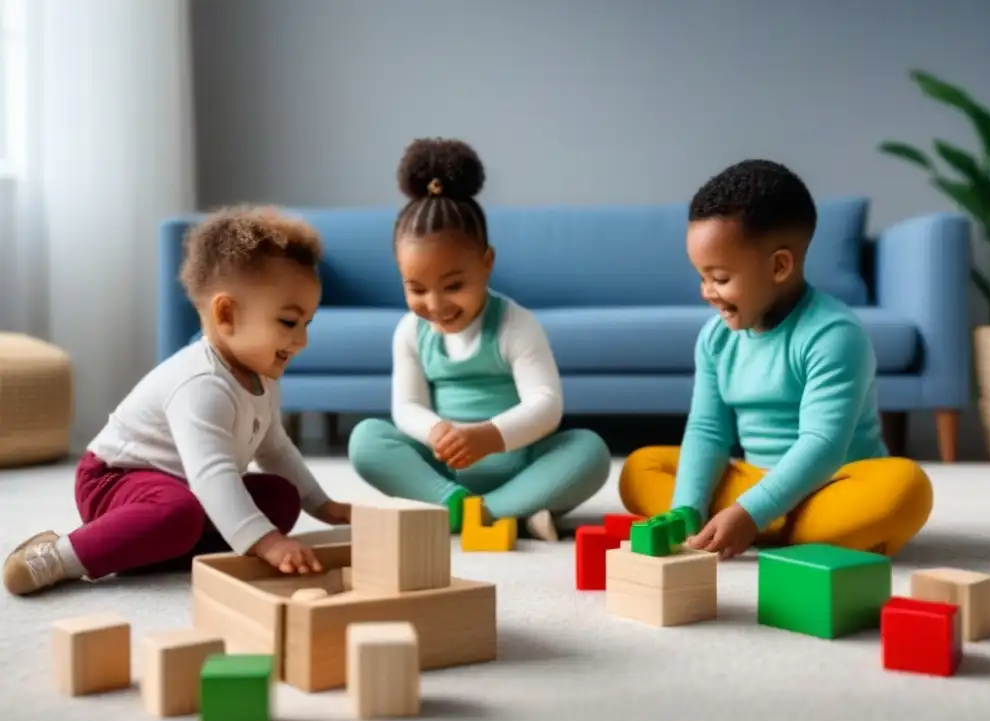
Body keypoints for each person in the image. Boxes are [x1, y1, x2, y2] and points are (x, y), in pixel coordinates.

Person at [3, 206, 351, 596]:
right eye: (288, 322)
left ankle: (140, 549)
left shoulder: (261, 377)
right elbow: (212, 473)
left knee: (281, 500)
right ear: (227, 314)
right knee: (182, 512)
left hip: (181, 490)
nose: (301, 341)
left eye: (307, 324)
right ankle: (59, 556)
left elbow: (275, 450)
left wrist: (323, 505)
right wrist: (266, 542)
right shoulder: (202, 384)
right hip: (114, 482)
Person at [619, 159, 932, 559]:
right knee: (640, 468)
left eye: (720, 278)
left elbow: (822, 445)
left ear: (779, 266)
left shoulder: (833, 335)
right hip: (752, 483)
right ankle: (768, 530)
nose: (707, 293)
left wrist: (751, 512)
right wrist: (688, 509)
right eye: (701, 277)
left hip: (831, 483)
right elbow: (707, 431)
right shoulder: (715, 338)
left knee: (905, 489)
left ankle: (755, 526)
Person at [348, 137, 611, 541]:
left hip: (518, 460)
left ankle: (488, 510)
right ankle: (472, 506)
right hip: (444, 467)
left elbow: (546, 405)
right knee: (366, 440)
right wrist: (438, 432)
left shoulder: (515, 325)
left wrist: (486, 437)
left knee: (589, 452)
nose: (435, 304)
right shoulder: (410, 331)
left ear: (486, 264)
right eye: (417, 289)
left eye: (453, 285)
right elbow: (407, 406)